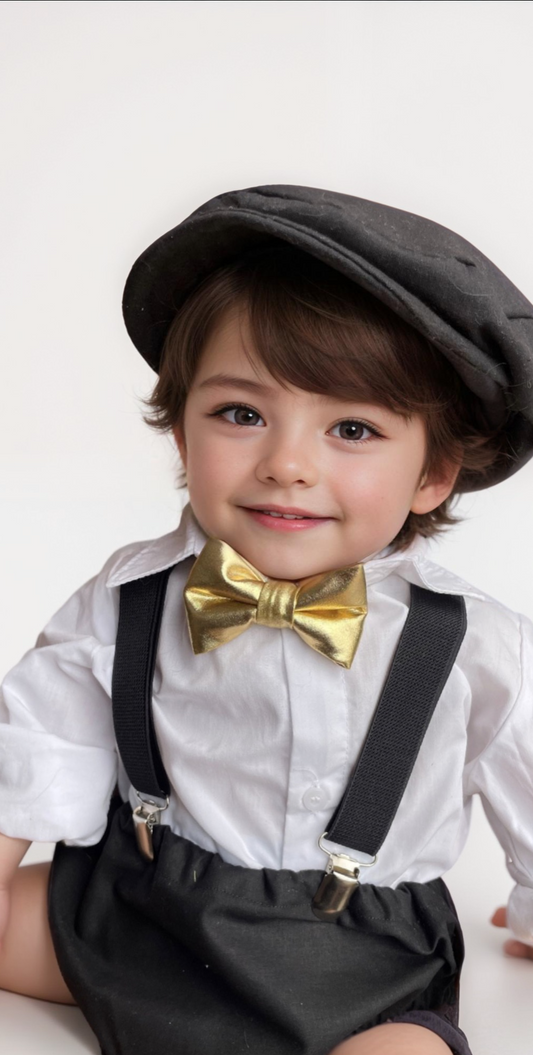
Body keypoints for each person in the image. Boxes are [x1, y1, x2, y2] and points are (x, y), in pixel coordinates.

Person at [0, 184, 532, 1055]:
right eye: (240, 414)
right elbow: (36, 736)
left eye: (351, 428)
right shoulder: (133, 593)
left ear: (434, 473)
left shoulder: (473, 644)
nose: (286, 464)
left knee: (404, 1051)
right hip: (148, 909)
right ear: (180, 432)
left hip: (356, 961)